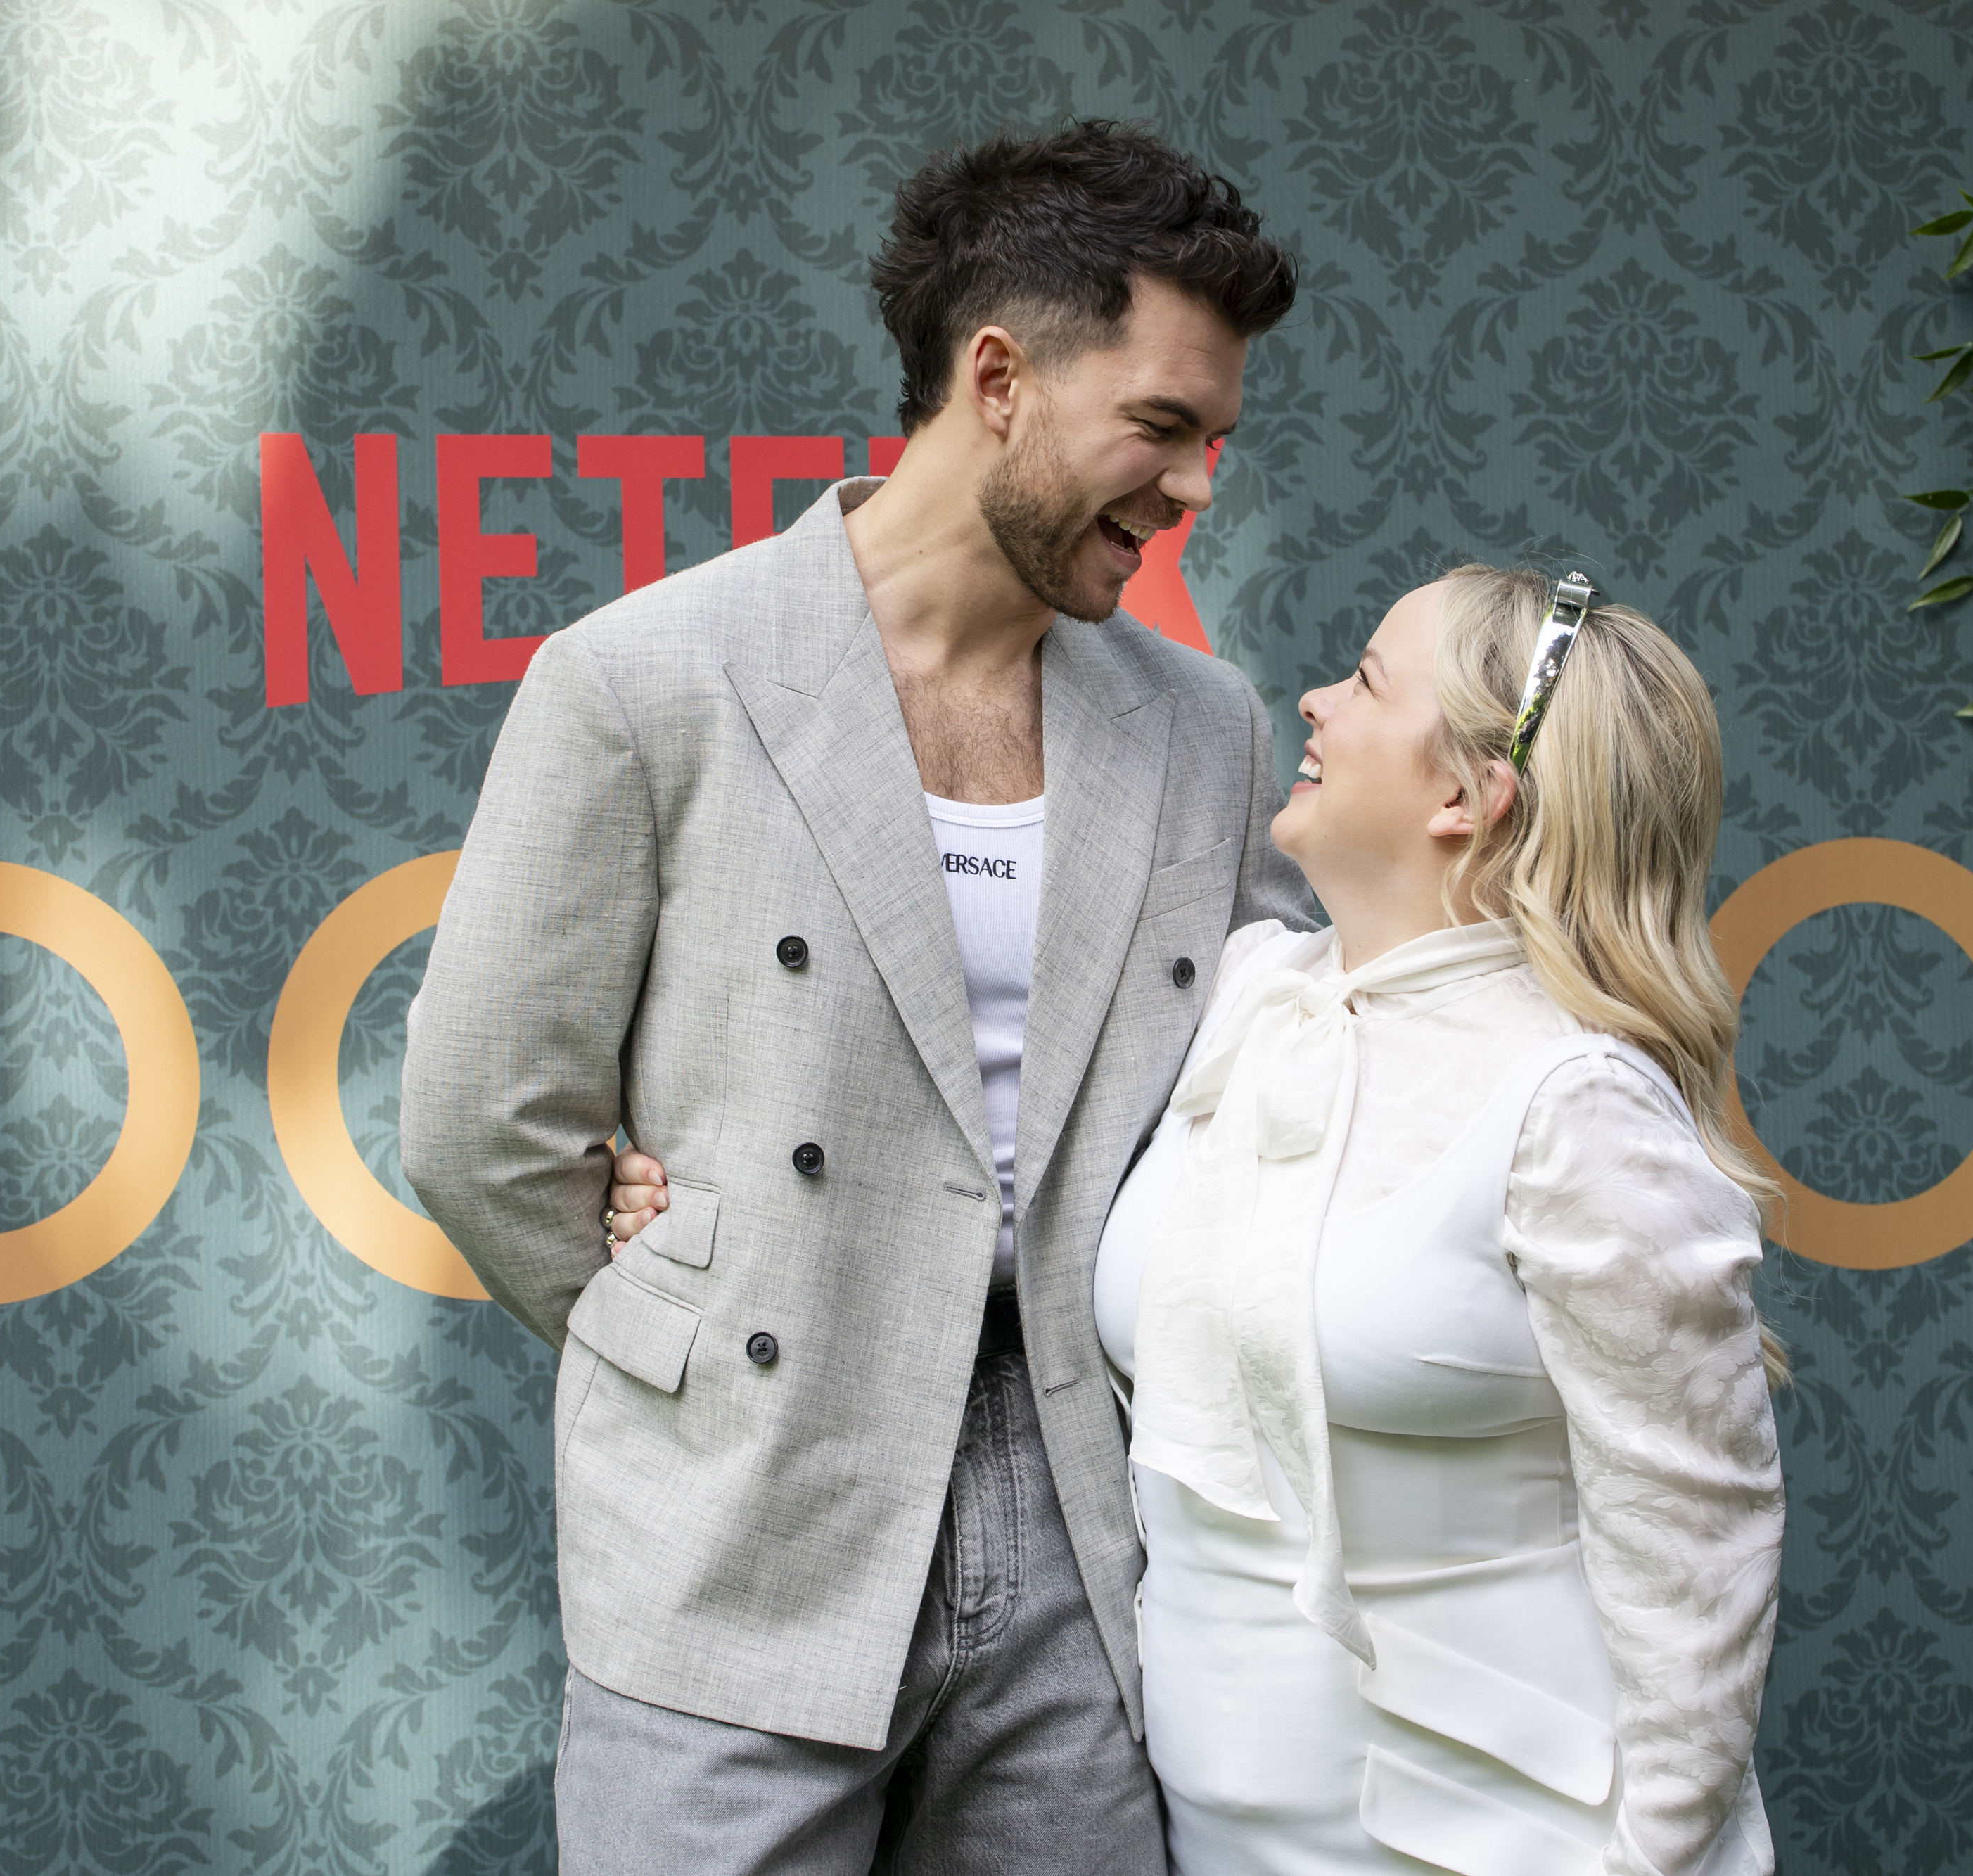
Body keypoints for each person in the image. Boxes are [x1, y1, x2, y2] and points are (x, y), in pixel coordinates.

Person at [400, 122, 1310, 1875]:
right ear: (998, 379)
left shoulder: (1205, 727)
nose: (1196, 485)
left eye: (1214, 441)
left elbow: (1268, 1090)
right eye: (1161, 426)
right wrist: (680, 1315)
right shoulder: (646, 678)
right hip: (741, 1507)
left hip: (1082, 1519)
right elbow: (477, 1119)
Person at [1085, 565, 1787, 1874]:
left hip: (1512, 1840)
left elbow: (1701, 1556)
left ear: (1467, 797)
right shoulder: (1238, 999)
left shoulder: (1578, 1104)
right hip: (1201, 1836)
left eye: (1361, 680)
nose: (1311, 699)